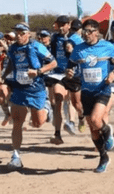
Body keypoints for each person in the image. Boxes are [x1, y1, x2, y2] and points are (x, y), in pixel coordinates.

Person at [66, 19, 114, 173]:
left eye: (89, 31)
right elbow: (70, 66)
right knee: (93, 129)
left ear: (97, 32)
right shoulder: (78, 49)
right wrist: (69, 72)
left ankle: (107, 131)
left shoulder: (107, 46)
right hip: (86, 92)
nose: (86, 34)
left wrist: (113, 73)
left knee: (94, 120)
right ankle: (103, 157)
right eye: (84, 31)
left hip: (102, 89)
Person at [0, 22, 57, 169]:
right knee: (17, 121)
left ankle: (47, 107)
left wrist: (38, 72)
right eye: (16, 33)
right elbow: (11, 64)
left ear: (28, 34)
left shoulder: (37, 46)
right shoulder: (12, 48)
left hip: (36, 89)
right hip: (19, 89)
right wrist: (3, 77)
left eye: (21, 33)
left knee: (38, 123)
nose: (18, 36)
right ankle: (16, 156)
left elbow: (53, 63)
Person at [44, 15, 77, 144]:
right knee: (58, 99)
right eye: (60, 24)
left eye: (64, 24)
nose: (62, 27)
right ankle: (57, 134)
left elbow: (81, 53)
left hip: (73, 73)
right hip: (58, 74)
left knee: (76, 102)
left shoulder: (75, 37)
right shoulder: (55, 38)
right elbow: (51, 54)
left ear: (69, 25)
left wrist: (72, 51)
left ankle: (76, 120)